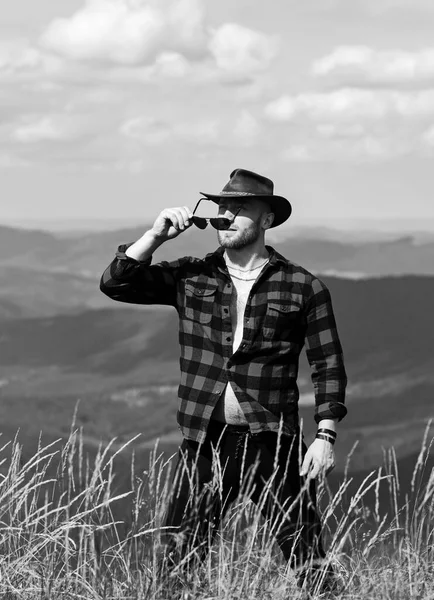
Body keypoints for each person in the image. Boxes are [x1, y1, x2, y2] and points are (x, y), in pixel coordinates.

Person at [100, 168, 347, 594]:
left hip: (272, 442)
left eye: (240, 208)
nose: (226, 215)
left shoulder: (303, 286)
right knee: (177, 563)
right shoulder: (191, 275)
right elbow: (117, 283)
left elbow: (327, 364)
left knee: (307, 558)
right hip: (203, 442)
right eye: (221, 207)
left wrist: (325, 435)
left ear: (266, 220)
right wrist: (155, 236)